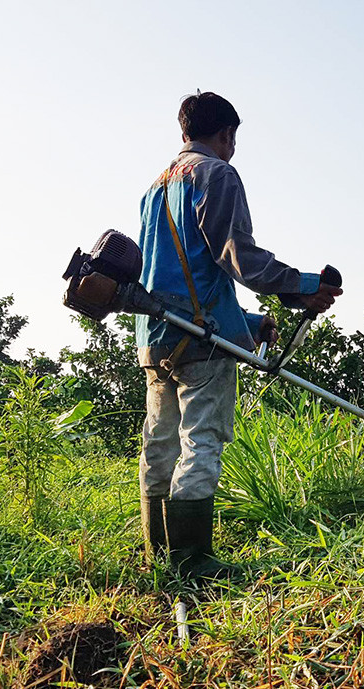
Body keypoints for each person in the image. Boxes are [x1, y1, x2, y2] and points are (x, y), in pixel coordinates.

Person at [136, 92, 341, 579]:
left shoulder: (155, 188)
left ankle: (158, 554)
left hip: (156, 334)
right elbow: (237, 257)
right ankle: (193, 561)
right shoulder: (217, 174)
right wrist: (305, 287)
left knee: (159, 442)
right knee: (200, 441)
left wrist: (249, 324)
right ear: (226, 134)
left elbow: (179, 278)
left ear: (183, 131)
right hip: (200, 342)